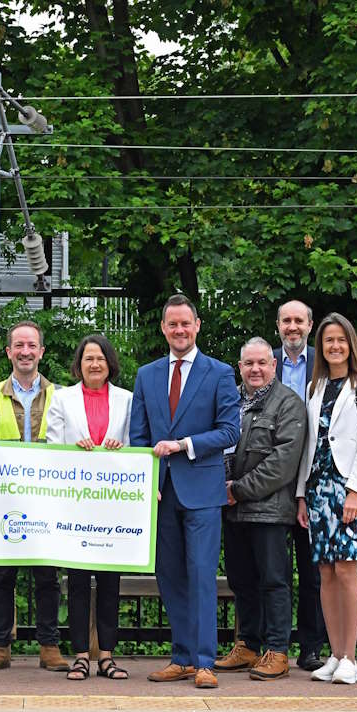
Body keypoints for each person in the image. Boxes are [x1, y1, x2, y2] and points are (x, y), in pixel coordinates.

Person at [130, 294, 240, 689]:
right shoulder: (147, 374)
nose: (179, 330)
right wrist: (147, 481)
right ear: (163, 328)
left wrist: (183, 445)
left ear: (197, 326)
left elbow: (230, 431)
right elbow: (139, 436)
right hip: (161, 493)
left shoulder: (220, 372)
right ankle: (181, 657)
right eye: (172, 324)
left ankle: (205, 661)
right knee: (170, 575)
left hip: (202, 492)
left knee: (201, 575)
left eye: (185, 324)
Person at [294, 315, 357, 685]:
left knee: (346, 569)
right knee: (324, 573)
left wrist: (354, 491)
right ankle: (333, 654)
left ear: (351, 344)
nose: (334, 347)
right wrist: (301, 494)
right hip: (317, 489)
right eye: (328, 341)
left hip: (348, 486)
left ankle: (350, 656)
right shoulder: (315, 386)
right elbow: (309, 446)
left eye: (340, 340)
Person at [0, 320, 66, 673]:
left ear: (41, 351)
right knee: (3, 576)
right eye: (19, 345)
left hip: (48, 498)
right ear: (9, 351)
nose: (26, 351)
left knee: (47, 575)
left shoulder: (61, 395)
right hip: (4, 501)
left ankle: (49, 646)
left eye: (32, 345)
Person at [215, 337, 307, 680]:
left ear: (274, 365)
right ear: (240, 367)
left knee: (274, 581)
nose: (255, 369)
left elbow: (282, 464)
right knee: (241, 581)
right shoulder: (230, 400)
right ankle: (248, 645)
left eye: (262, 363)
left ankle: (278, 651)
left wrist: (238, 491)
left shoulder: (288, 403)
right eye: (248, 363)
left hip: (268, 509)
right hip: (231, 509)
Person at [45, 334, 134, 681]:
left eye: (100, 358)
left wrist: (119, 447)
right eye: (87, 359)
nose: (94, 364)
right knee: (78, 582)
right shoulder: (62, 399)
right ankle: (81, 655)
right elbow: (52, 446)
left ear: (110, 362)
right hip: (75, 506)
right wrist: (72, 448)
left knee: (110, 582)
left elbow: (135, 444)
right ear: (78, 364)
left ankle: (107, 657)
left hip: (113, 507)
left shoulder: (127, 400)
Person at [272, 300, 325, 671]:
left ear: (310, 325)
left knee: (312, 571)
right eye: (286, 321)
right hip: (272, 481)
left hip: (315, 477)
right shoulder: (265, 362)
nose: (293, 327)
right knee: (273, 570)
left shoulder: (324, 364)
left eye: (299, 321)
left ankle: (310, 647)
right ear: (278, 326)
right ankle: (271, 645)